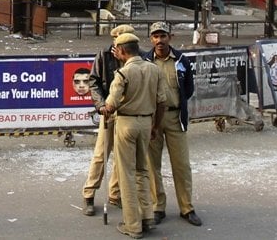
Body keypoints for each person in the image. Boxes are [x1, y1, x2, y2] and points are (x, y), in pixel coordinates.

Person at [105, 32, 166, 239]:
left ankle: (132, 225)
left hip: (126, 123)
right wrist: (155, 126)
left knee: (126, 175)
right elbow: (162, 101)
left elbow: (111, 104)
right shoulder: (154, 69)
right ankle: (147, 216)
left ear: (121, 51)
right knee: (143, 171)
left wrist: (104, 109)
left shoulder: (122, 74)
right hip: (147, 122)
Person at [145, 22, 202, 227]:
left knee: (182, 165)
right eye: (155, 36)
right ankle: (157, 207)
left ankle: (187, 208)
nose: (159, 40)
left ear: (171, 37)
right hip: (152, 120)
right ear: (151, 39)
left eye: (163, 36)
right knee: (152, 165)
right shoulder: (145, 61)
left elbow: (188, 89)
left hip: (175, 118)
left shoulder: (181, 61)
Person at [81, 24, 137, 216]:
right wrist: (101, 105)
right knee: (101, 154)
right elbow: (94, 81)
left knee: (123, 156)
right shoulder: (104, 55)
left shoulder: (138, 58)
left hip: (129, 113)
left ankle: (115, 193)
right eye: (118, 39)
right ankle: (89, 193)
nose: (120, 43)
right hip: (109, 111)